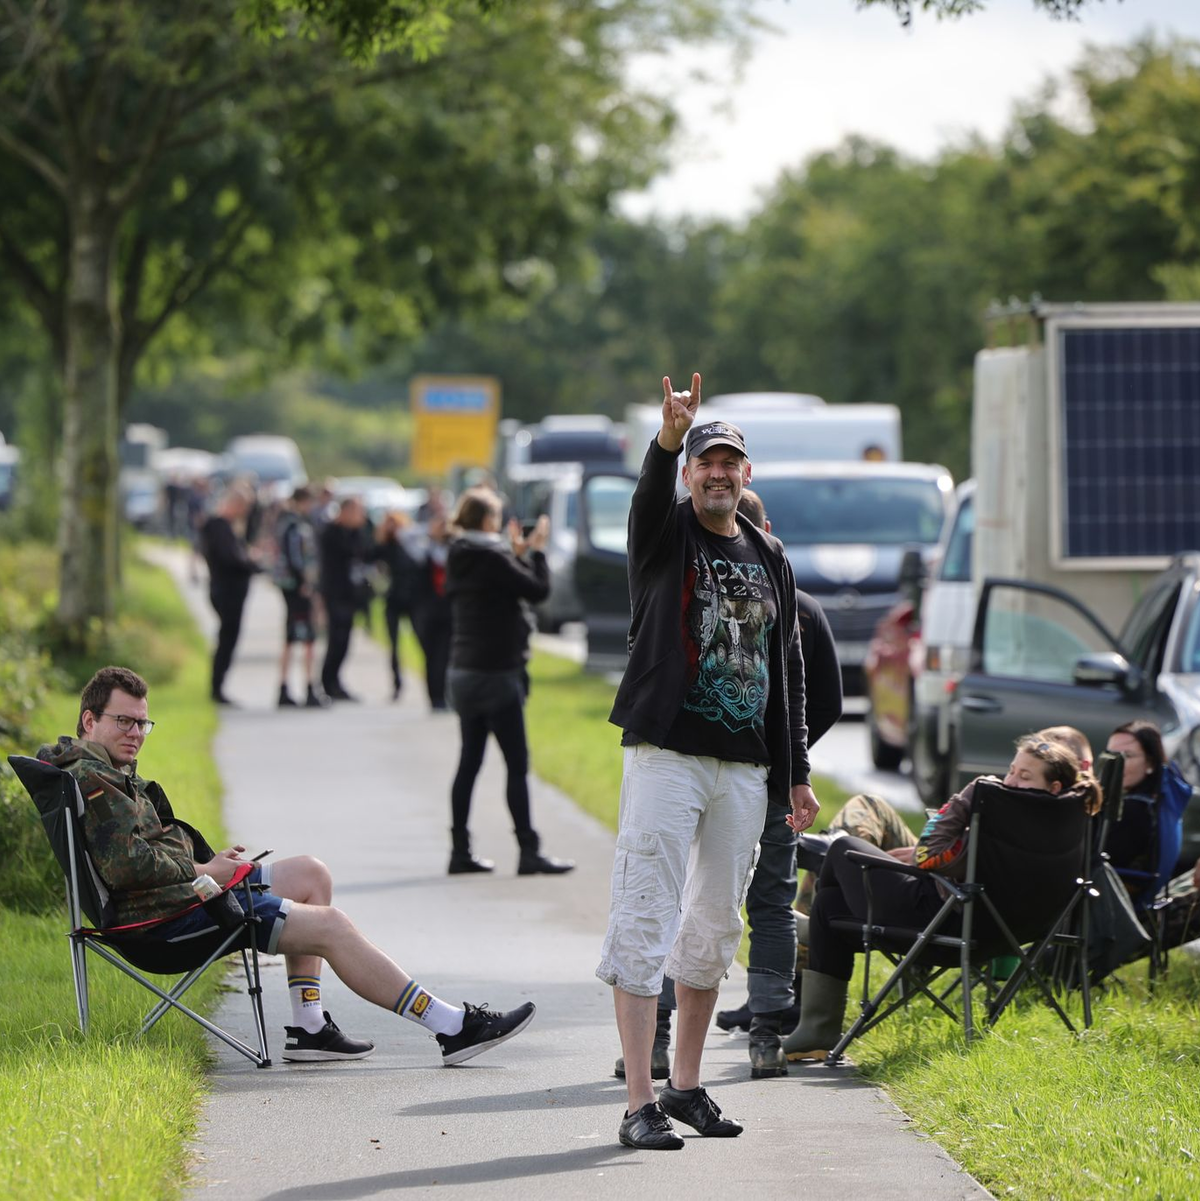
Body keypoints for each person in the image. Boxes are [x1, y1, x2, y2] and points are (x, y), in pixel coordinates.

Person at [40, 666, 536, 1065]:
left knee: (311, 874)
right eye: (123, 721)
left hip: (181, 897)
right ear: (90, 720)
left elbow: (135, 856)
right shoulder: (94, 780)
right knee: (332, 926)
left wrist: (207, 866)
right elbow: (126, 867)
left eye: (141, 723)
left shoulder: (99, 769)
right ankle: (452, 1026)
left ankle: (309, 1027)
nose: (135, 733)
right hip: (168, 922)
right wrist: (204, 872)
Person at [596, 374, 819, 1151]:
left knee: (716, 925)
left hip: (744, 767)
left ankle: (685, 1086)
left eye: (729, 463)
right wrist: (667, 437)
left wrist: (795, 771)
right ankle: (638, 1101)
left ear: (745, 473)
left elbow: (787, 669)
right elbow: (646, 497)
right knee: (645, 915)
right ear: (690, 474)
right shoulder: (666, 533)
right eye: (705, 463)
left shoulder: (769, 552)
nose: (718, 474)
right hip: (668, 754)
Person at [623, 488, 842, 1080]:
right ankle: (766, 1034)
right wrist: (790, 758)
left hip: (745, 769)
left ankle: (658, 1035)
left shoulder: (776, 594)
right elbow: (826, 700)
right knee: (768, 903)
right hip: (766, 771)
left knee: (676, 898)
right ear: (768, 529)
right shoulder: (806, 606)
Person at [782, 734, 1101, 1061]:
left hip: (939, 925)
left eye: (1025, 776)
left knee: (842, 847)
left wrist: (969, 796)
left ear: (1054, 787)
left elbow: (926, 853)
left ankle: (813, 987)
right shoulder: (1066, 817)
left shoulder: (994, 800)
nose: (1011, 781)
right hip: (1003, 937)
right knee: (829, 906)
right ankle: (816, 1022)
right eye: (1011, 771)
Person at [444, 487, 574, 877]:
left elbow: (498, 586)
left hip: (464, 672)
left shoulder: (459, 554)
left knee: (469, 762)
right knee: (517, 764)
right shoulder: (493, 558)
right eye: (497, 518)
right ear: (488, 521)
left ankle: (459, 851)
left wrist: (516, 555)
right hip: (498, 674)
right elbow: (537, 590)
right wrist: (537, 552)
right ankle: (528, 851)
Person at [199, 483, 261, 705]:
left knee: (229, 639)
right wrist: (251, 563)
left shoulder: (228, 527)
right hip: (226, 591)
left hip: (231, 590)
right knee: (226, 639)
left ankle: (219, 685)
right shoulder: (218, 526)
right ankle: (216, 687)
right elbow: (230, 559)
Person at [274, 485, 327, 709]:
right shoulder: (295, 525)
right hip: (298, 587)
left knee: (292, 637)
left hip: (292, 586)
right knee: (307, 638)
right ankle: (308, 686)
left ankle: (286, 686)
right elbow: (297, 557)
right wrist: (305, 582)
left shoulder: (287, 522)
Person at [318, 496, 369, 702]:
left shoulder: (356, 533)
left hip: (350, 594)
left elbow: (365, 552)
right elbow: (345, 555)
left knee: (345, 640)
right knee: (336, 639)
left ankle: (336, 681)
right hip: (335, 593)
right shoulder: (331, 533)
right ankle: (327, 681)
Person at [370, 510, 421, 702]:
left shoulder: (410, 546)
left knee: (421, 639)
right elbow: (370, 560)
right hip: (393, 599)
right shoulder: (384, 547)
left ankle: (433, 682)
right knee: (394, 644)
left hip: (412, 599)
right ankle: (397, 683)